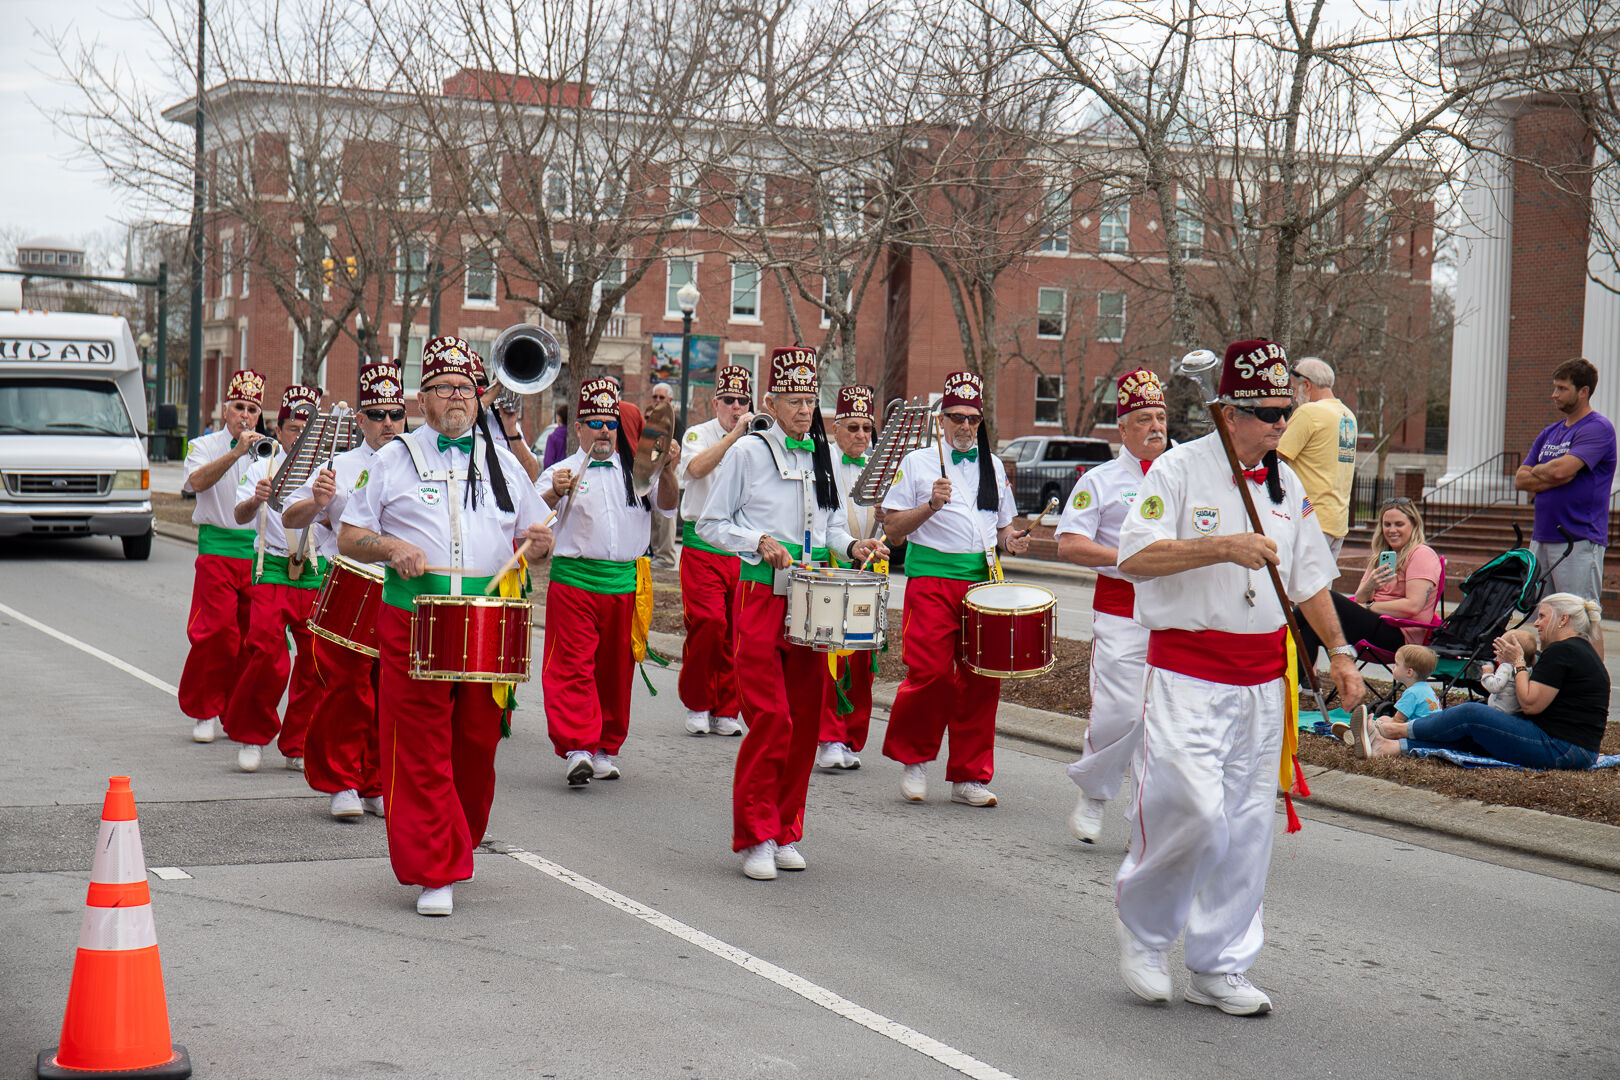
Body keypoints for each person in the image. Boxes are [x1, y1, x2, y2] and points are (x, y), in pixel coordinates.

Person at [1113, 338, 1365, 1015]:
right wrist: (1222, 546)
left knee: (1248, 826)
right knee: (1191, 811)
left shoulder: (1287, 486)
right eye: (1268, 413)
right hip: (1188, 673)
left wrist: (1341, 653)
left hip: (1262, 681)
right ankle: (1145, 936)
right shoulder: (1178, 469)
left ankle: (1219, 962)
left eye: (1286, 412)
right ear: (1229, 413)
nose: (1281, 424)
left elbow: (1310, 581)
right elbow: (1135, 557)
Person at [339, 336, 554, 917]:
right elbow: (350, 535)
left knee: (477, 744)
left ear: (478, 397)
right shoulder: (393, 459)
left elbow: (535, 539)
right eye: (443, 388)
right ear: (422, 399)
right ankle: (436, 868)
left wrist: (539, 545)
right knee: (419, 746)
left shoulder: (503, 462)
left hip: (486, 621)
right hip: (413, 618)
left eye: (465, 388)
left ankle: (457, 836)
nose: (456, 397)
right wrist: (392, 547)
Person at [696, 345, 884, 880]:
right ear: (771, 402)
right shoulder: (747, 452)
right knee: (771, 717)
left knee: (803, 721)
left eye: (810, 400)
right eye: (794, 400)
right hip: (761, 595)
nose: (804, 410)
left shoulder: (822, 453)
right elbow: (711, 524)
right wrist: (757, 541)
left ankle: (784, 830)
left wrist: (853, 547)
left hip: (812, 597)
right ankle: (754, 835)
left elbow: (831, 527)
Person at [879, 371, 1027, 808]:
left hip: (983, 582)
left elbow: (1002, 528)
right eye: (957, 417)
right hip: (931, 578)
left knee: (982, 679)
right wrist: (930, 505)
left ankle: (969, 774)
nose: (965, 425)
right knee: (931, 674)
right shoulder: (917, 463)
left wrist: (1011, 541)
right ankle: (914, 759)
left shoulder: (993, 465)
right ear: (941, 419)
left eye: (973, 419)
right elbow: (893, 529)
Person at [537, 378, 679, 786]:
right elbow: (531, 521)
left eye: (611, 423)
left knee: (615, 673)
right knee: (573, 667)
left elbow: (668, 507)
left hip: (623, 584)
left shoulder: (639, 471)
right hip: (575, 583)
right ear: (578, 428)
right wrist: (554, 494)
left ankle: (604, 748)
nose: (604, 430)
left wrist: (668, 469)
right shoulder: (559, 472)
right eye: (595, 422)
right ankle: (578, 748)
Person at [283, 362, 407, 820]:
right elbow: (289, 517)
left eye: (396, 413)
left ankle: (375, 780)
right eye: (377, 414)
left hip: (400, 587)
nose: (388, 423)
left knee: (389, 691)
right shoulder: (340, 465)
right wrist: (317, 502)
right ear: (360, 420)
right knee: (347, 690)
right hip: (349, 585)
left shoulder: (418, 462)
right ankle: (342, 781)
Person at [1054, 367, 1168, 843]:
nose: (1156, 427)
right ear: (1122, 428)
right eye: (1144, 419)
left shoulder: (1186, 474)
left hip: (1176, 613)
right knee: (1119, 713)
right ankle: (1094, 794)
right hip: (1121, 611)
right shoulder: (1098, 480)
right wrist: (1127, 558)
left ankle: (1147, 822)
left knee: (1164, 723)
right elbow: (1070, 543)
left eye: (1161, 417)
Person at [1360, 593, 1607, 770]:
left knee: (1471, 713)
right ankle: (1390, 747)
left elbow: (1531, 704)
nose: (1536, 623)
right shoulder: (1579, 651)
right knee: (1474, 731)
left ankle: (1395, 729)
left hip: (1562, 749)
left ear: (1563, 620)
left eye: (1542, 616)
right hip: (1575, 750)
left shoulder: (1563, 651)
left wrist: (1518, 662)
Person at [223, 384, 324, 773]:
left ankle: (298, 740)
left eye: (307, 429)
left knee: (315, 660)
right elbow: (239, 515)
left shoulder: (328, 469)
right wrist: (257, 498)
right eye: (294, 428)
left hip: (314, 568)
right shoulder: (261, 467)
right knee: (268, 655)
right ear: (278, 431)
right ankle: (252, 734)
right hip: (273, 566)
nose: (300, 436)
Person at [177, 369, 267, 744]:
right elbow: (195, 483)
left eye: (252, 409)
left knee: (251, 638)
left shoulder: (268, 449)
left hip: (256, 552)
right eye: (239, 407)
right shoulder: (204, 445)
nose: (245, 415)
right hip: (217, 547)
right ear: (225, 409)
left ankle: (235, 709)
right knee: (216, 632)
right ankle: (204, 709)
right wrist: (235, 453)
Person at [1514, 357, 1615, 656]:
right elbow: (1521, 479)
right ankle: (1550, 676)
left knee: (1582, 618)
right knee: (1544, 617)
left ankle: (1592, 682)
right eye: (1554, 387)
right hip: (1542, 536)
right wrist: (1554, 473)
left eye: (1561, 388)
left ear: (1583, 391)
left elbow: (1560, 471)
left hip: (1578, 538)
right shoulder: (1550, 433)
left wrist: (1548, 473)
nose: (1554, 394)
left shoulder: (1598, 428)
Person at [675, 366, 754, 737]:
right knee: (708, 622)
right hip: (703, 543)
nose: (736, 407)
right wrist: (734, 437)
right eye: (729, 400)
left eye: (743, 401)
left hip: (741, 545)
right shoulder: (698, 434)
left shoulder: (759, 438)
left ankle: (726, 708)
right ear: (715, 403)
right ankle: (697, 702)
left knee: (736, 630)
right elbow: (694, 468)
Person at [1294, 498, 1442, 686]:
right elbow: (1360, 598)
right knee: (1310, 629)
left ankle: (1283, 625)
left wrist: (1371, 607)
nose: (1392, 530)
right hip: (1375, 626)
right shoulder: (1380, 556)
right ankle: (1288, 691)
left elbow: (1413, 606)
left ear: (1414, 525)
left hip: (1400, 635)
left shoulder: (1421, 554)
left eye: (1399, 524)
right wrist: (1370, 584)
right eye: (1387, 524)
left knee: (1326, 597)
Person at [817, 383, 879, 771]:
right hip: (831, 566)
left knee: (861, 660)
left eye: (866, 428)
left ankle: (852, 736)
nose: (860, 435)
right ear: (836, 428)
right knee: (829, 659)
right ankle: (828, 736)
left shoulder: (880, 469)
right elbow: (826, 526)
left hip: (870, 572)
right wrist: (852, 547)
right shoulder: (822, 464)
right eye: (853, 427)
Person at [1277, 357, 1357, 558]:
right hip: (1337, 521)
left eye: (1294, 388)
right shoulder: (1348, 416)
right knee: (1323, 580)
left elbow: (1276, 456)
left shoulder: (1309, 412)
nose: (1294, 396)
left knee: (1295, 579)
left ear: (1307, 385)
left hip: (1309, 520)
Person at [646, 382, 678, 568]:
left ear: (670, 400)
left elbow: (677, 451)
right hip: (650, 472)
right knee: (652, 517)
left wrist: (667, 471)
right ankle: (656, 553)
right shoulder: (652, 419)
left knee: (665, 517)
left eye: (662, 397)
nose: (657, 400)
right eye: (655, 397)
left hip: (666, 473)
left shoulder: (674, 420)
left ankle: (665, 557)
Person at [1478, 628, 1539, 715]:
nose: (1496, 655)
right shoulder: (1527, 669)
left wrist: (1487, 674)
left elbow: (1495, 687)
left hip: (1499, 711)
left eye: (1499, 651)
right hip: (1515, 711)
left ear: (1508, 653)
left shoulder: (1506, 667)